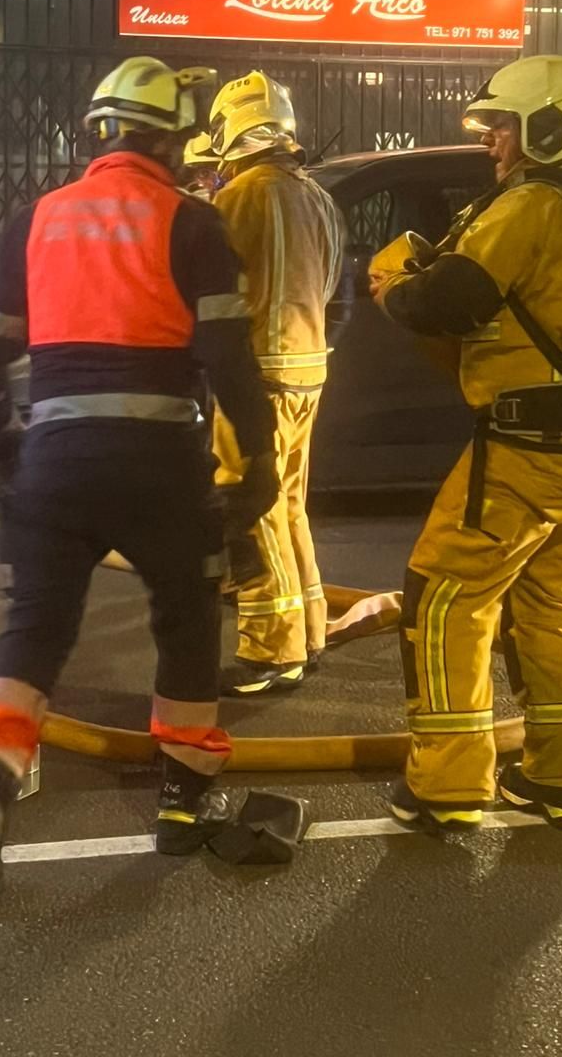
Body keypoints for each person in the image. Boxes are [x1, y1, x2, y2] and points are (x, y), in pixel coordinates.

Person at [0, 57, 279, 896]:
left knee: (36, 628)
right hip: (162, 464)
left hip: (55, 461)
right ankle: (183, 804)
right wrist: (261, 456)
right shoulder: (194, 224)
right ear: (172, 141)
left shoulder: (35, 220)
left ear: (97, 134)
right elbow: (228, 357)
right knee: (187, 620)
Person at [370, 55, 562, 834]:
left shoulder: (535, 204)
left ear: (550, 129)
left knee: (444, 598)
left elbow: (448, 301)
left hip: (526, 451)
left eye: (504, 126)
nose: (491, 140)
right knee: (552, 602)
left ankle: (448, 786)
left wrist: (395, 284)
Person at [206, 71, 347, 696]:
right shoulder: (316, 196)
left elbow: (209, 291)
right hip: (308, 366)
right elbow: (332, 283)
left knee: (250, 505)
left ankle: (272, 650)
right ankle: (310, 630)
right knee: (287, 502)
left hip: (258, 373)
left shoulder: (240, 196)